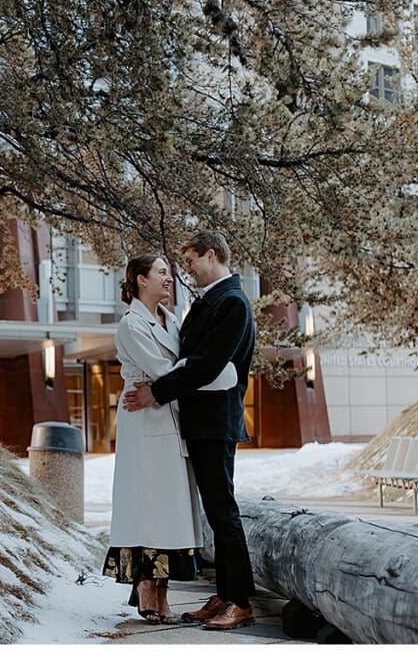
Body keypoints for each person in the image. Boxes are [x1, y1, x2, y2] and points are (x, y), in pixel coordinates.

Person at [123, 230, 257, 631]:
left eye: (190, 261)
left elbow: (208, 366)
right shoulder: (211, 300)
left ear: (211, 255)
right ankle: (225, 594)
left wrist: (157, 393)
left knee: (223, 511)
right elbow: (190, 358)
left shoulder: (231, 301)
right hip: (199, 422)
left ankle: (240, 601)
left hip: (216, 423)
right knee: (215, 513)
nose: (186, 271)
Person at [101, 253, 204, 624]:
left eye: (171, 272)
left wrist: (187, 373)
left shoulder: (171, 319)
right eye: (162, 272)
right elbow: (165, 370)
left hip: (168, 415)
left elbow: (172, 375)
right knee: (147, 504)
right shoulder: (132, 323)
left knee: (169, 507)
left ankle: (162, 589)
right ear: (141, 280)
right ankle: (146, 585)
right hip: (143, 419)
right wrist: (198, 370)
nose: (170, 277)